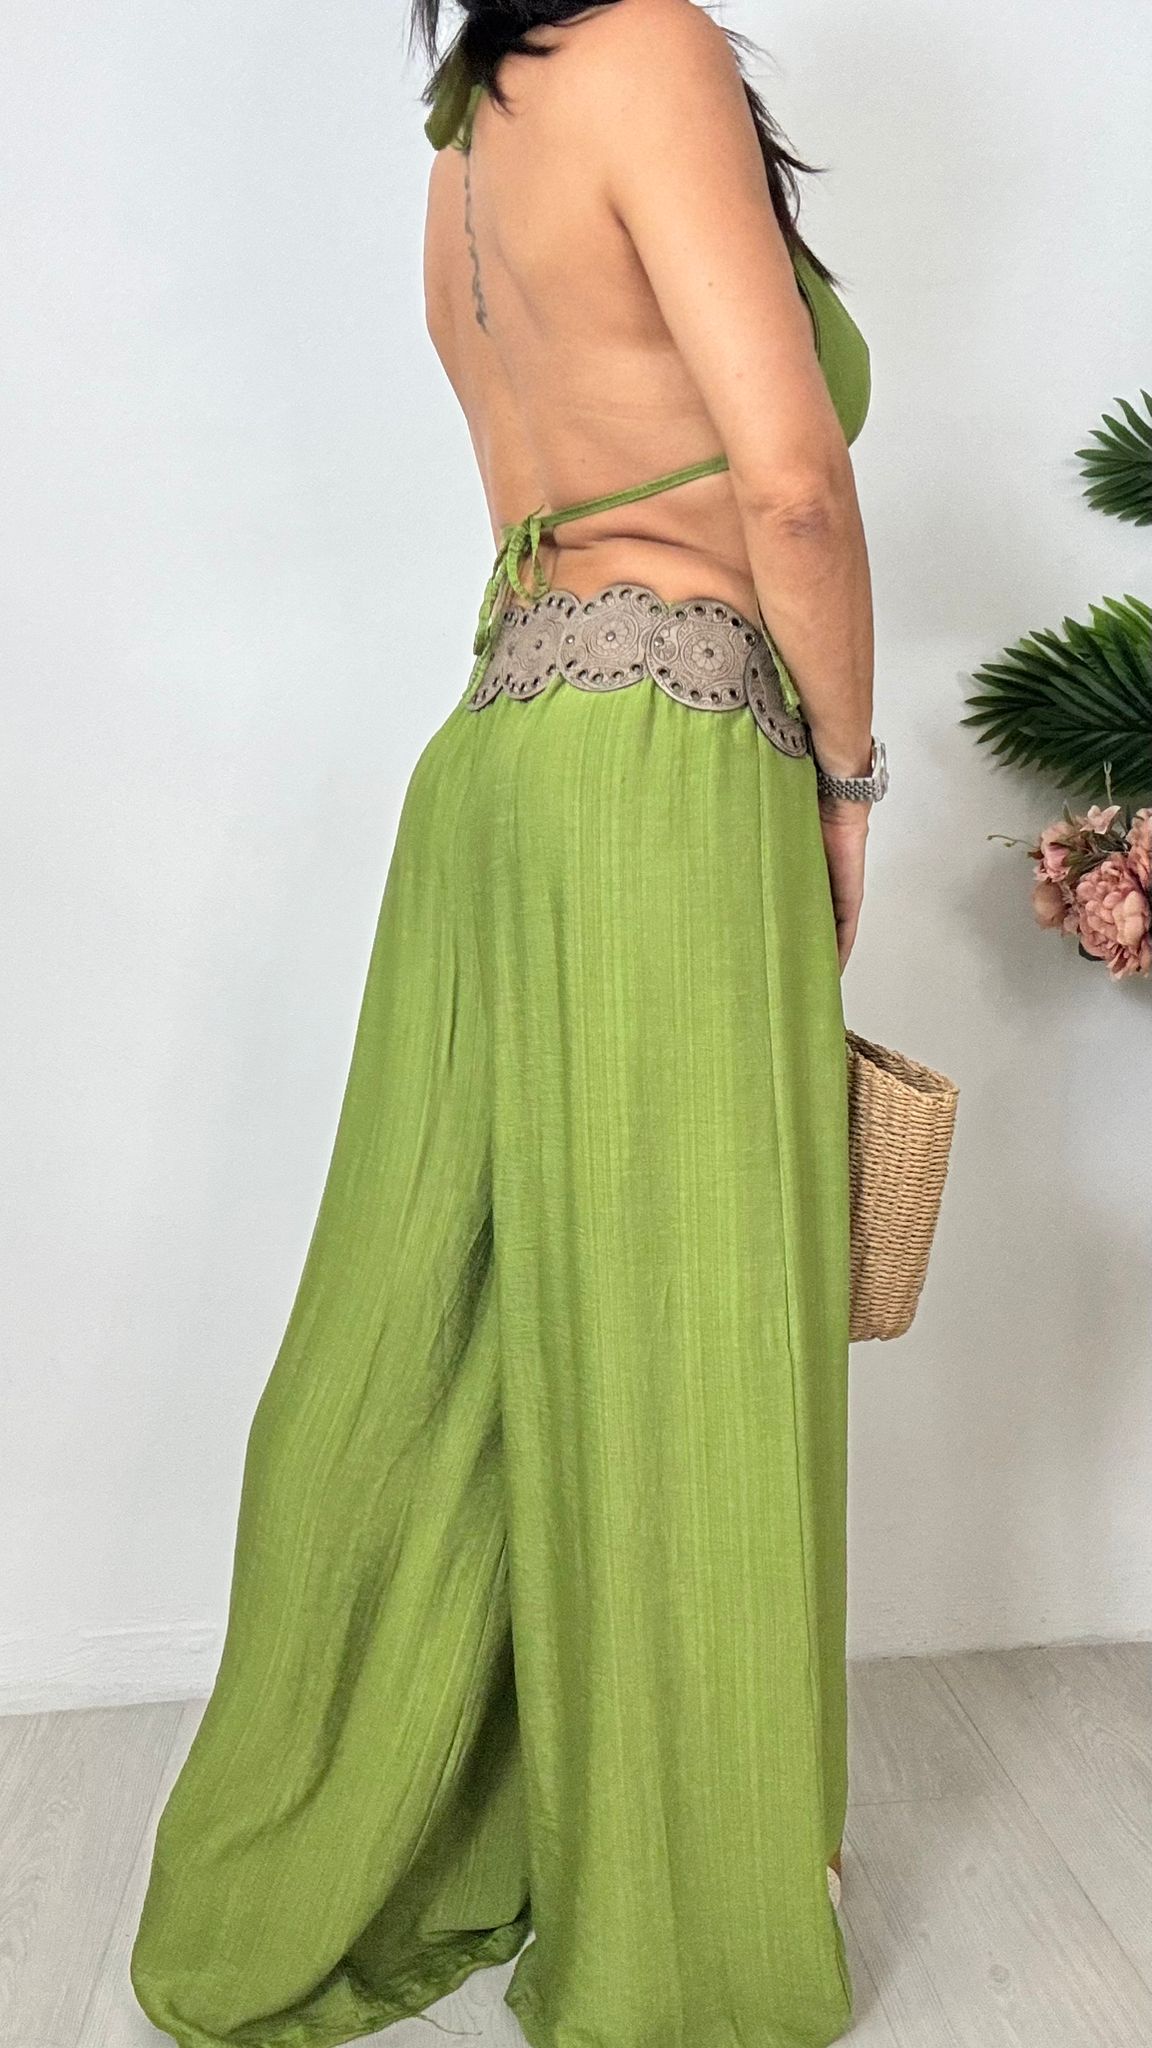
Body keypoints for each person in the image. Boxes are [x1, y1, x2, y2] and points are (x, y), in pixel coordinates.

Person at [129, 2, 885, 2045]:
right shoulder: (649, 44)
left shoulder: (469, 134)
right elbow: (792, 488)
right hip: (671, 756)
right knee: (688, 1330)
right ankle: (693, 1907)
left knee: (454, 1324)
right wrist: (848, 782)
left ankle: (315, 1852)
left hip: (501, 752)